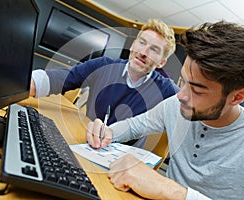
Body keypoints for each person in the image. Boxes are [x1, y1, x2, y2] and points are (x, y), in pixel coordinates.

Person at [86, 20, 244, 199]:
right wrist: (107, 131)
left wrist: (170, 191)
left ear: (238, 97)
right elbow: (134, 126)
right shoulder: (175, 105)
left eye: (196, 90)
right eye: (183, 81)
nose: (181, 95)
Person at [30, 19, 180, 148]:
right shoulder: (103, 65)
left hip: (123, 160)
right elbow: (63, 78)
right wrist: (22, 83)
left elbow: (193, 108)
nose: (143, 52)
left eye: (154, 49)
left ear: (161, 62)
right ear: (133, 45)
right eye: (142, 43)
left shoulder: (166, 89)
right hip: (85, 142)